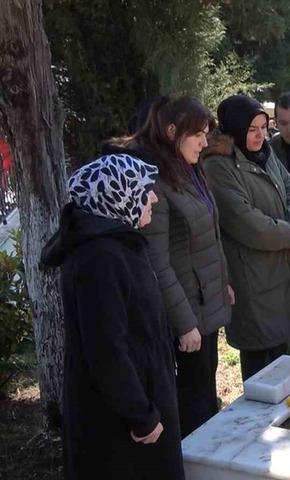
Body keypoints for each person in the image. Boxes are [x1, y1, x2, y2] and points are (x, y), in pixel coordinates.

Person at [40, 154, 185, 479]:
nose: (155, 197)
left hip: (138, 409)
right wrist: (142, 415)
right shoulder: (101, 258)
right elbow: (106, 350)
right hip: (118, 429)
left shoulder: (120, 245)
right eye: (146, 189)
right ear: (120, 195)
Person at [106, 96, 233, 437]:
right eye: (198, 135)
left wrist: (224, 281)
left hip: (205, 299)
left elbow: (208, 233)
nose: (205, 142)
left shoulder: (189, 168)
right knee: (193, 400)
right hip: (186, 311)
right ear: (172, 131)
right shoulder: (157, 180)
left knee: (205, 388)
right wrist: (185, 322)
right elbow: (156, 260)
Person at [203, 94, 290, 380]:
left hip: (282, 269)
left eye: (264, 128)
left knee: (286, 361)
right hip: (253, 278)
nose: (260, 135)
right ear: (236, 129)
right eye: (252, 129)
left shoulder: (265, 152)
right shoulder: (219, 164)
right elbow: (246, 221)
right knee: (260, 369)